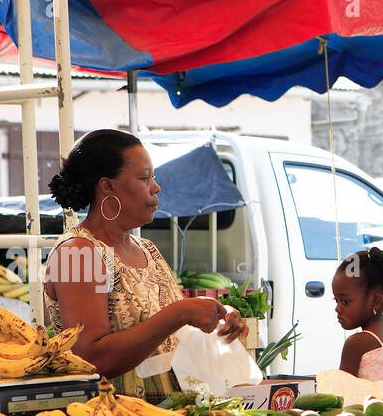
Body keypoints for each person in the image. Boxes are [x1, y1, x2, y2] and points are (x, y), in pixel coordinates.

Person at [43, 130, 246, 400]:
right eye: (144, 178)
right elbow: (91, 357)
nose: (155, 187)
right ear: (107, 186)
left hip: (172, 405)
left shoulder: (146, 249)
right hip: (113, 415)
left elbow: (170, 327)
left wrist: (219, 315)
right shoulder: (77, 253)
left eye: (154, 177)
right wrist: (181, 313)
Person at [333, 246, 383, 380]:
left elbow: (343, 392)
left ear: (376, 301)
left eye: (345, 301)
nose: (337, 308)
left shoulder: (356, 343)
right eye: (336, 300)